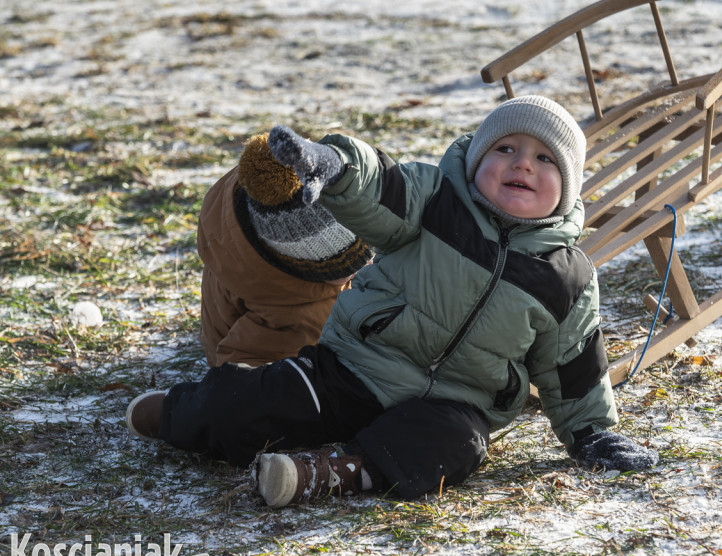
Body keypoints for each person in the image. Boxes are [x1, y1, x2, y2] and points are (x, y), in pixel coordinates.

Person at [126, 95, 657, 507]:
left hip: (453, 405)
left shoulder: (566, 277)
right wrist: (333, 165)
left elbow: (575, 365)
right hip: (353, 371)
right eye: (505, 149)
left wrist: (592, 434)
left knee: (456, 450)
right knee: (263, 399)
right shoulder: (436, 202)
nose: (522, 164)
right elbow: (381, 186)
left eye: (545, 159)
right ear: (475, 159)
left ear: (566, 188)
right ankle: (184, 413)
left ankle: (333, 471)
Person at [195, 132, 373, 367]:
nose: (358, 270)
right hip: (269, 355)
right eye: (343, 269)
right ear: (300, 262)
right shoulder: (295, 317)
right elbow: (239, 373)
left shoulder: (248, 208)